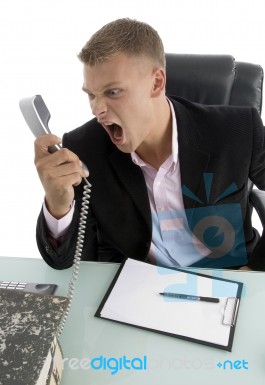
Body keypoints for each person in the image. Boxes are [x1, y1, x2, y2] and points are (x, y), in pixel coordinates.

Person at [34, 18, 265, 271]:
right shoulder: (84, 147)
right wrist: (57, 204)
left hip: (225, 278)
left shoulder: (237, 129)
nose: (97, 110)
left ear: (156, 83)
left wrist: (255, 270)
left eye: (113, 92)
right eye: (91, 94)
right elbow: (64, 263)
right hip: (137, 286)